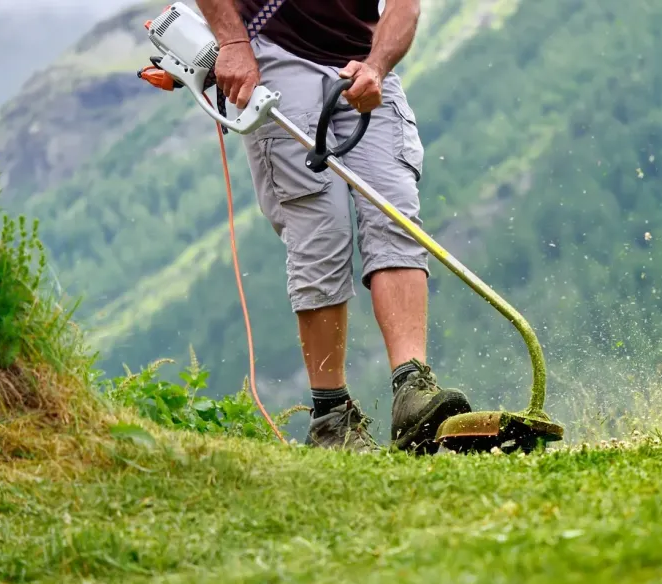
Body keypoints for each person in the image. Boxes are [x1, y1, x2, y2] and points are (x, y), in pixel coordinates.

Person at [195, 0, 472, 452]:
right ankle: (332, 419)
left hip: (358, 61)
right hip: (274, 55)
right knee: (320, 228)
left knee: (395, 213)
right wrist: (232, 42)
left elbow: (405, 6)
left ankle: (412, 391)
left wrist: (377, 67)